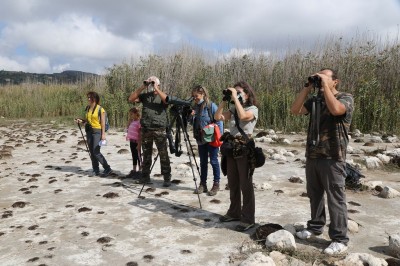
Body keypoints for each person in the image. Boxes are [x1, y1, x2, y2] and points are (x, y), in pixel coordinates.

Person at [290, 68, 354, 255]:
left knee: (336, 198)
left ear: (335, 82)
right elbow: (295, 110)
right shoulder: (315, 100)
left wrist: (325, 86)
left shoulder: (345, 97)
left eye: (324, 76)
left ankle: (340, 238)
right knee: (314, 194)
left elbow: (336, 110)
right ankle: (315, 226)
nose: (319, 79)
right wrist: (307, 88)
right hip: (313, 155)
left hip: (333, 156)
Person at [214, 81, 258, 232]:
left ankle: (248, 218)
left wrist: (236, 97)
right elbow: (217, 116)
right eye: (236, 92)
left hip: (244, 148)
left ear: (247, 94)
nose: (236, 95)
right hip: (231, 147)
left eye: (239, 93)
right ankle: (234, 212)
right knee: (232, 182)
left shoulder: (253, 109)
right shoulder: (232, 108)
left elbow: (244, 116)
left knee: (245, 184)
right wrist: (225, 100)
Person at [128, 76, 172, 187]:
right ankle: (145, 177)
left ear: (158, 84)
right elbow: (131, 99)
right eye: (150, 83)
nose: (151, 85)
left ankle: (167, 177)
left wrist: (156, 88)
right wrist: (143, 86)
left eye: (153, 83)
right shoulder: (145, 96)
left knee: (163, 154)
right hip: (146, 128)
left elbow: (166, 101)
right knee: (146, 154)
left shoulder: (163, 95)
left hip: (159, 129)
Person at [191, 85, 223, 196]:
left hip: (212, 138)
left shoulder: (211, 106)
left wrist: (220, 137)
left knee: (214, 161)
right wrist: (190, 117)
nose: (195, 98)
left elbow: (219, 121)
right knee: (203, 162)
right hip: (201, 139)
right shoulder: (195, 107)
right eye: (193, 96)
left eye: (197, 96)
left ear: (203, 94)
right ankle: (203, 184)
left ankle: (216, 184)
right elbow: (193, 123)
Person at [75, 91, 112, 177]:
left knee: (96, 152)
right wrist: (81, 121)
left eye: (90, 97)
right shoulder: (88, 108)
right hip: (89, 131)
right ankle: (96, 170)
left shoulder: (100, 109)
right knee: (91, 152)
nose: (88, 99)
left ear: (94, 98)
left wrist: (103, 135)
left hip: (97, 132)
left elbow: (102, 123)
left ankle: (107, 168)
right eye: (88, 97)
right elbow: (88, 120)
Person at [125, 107, 142, 178]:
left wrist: (139, 144)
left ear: (136, 114)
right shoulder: (132, 122)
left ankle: (140, 171)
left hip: (137, 142)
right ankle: (134, 170)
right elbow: (127, 127)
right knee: (133, 156)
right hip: (131, 141)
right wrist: (129, 120)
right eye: (130, 114)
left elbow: (140, 134)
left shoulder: (139, 122)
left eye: (131, 114)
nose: (130, 116)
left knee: (138, 157)